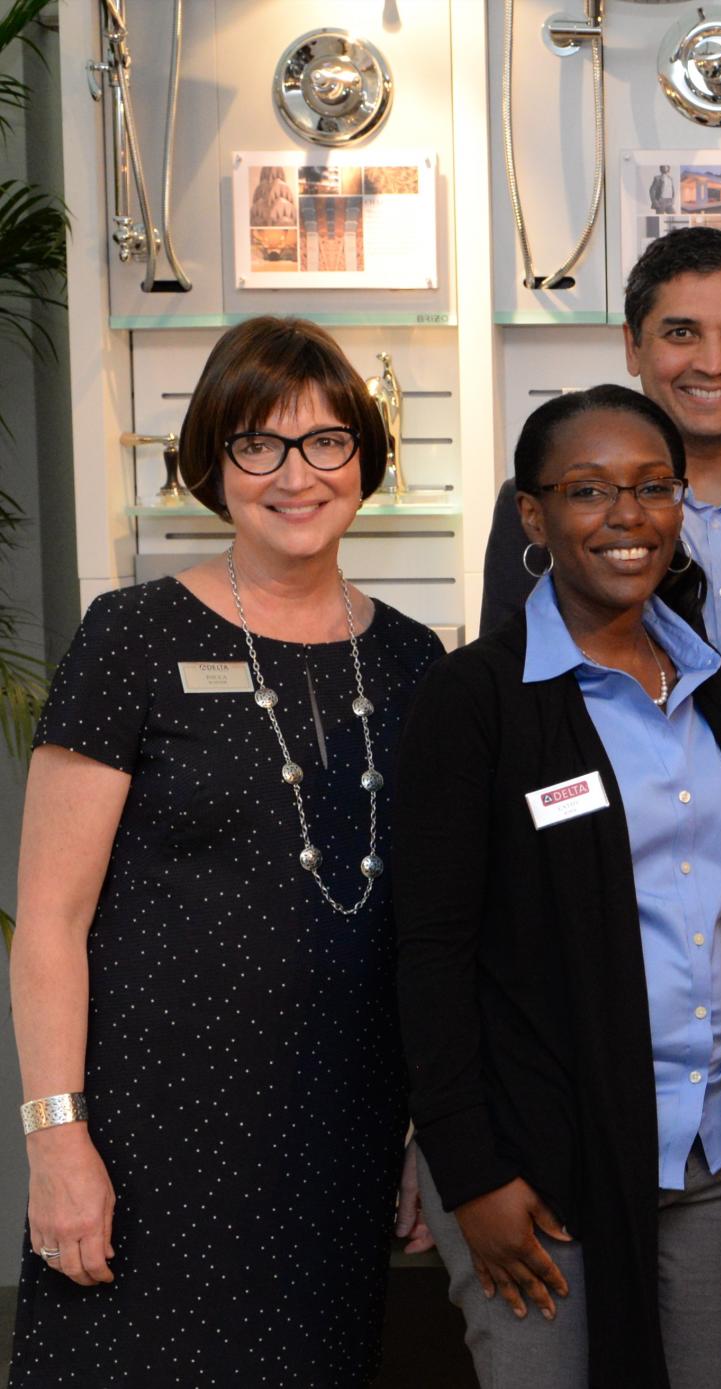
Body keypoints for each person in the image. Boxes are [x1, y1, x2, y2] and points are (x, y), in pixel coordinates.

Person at [8, 316, 443, 1385]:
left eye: (326, 442)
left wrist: (422, 1132)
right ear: (212, 463)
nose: (295, 474)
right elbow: (50, 922)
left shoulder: (412, 659)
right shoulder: (133, 637)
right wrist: (56, 1141)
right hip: (148, 1136)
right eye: (259, 444)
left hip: (337, 1131)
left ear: (367, 462)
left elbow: (431, 926)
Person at [395, 386, 721, 1388]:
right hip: (539, 1165)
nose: (626, 516)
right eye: (588, 490)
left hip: (714, 1149)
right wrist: (471, 1172)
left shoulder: (709, 685)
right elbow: (429, 954)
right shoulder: (477, 701)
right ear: (533, 516)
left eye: (651, 487)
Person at [483, 227, 721, 728]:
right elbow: (508, 694)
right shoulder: (550, 506)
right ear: (633, 346)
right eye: (681, 333)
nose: (712, 363)